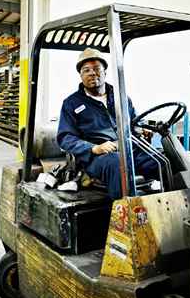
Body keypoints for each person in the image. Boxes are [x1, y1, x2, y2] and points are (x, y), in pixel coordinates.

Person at [56, 47, 160, 199]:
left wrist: (141, 129)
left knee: (160, 160)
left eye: (96, 68)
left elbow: (134, 121)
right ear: (81, 75)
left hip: (128, 149)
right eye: (86, 70)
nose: (92, 73)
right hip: (96, 158)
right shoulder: (71, 103)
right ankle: (124, 216)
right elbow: (65, 137)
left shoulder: (121, 97)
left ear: (105, 71)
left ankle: (171, 208)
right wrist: (94, 148)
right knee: (117, 163)